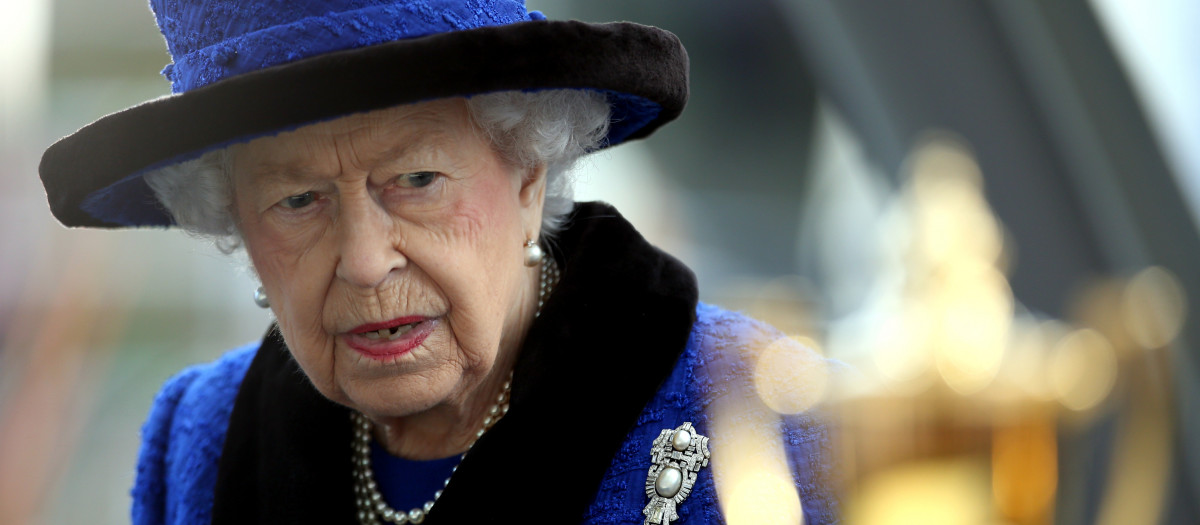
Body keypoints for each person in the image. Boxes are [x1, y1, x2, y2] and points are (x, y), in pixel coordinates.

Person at [39, 1, 837, 523]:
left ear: (529, 169)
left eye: (415, 180)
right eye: (298, 201)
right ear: (236, 224)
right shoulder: (199, 441)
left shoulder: (768, 420)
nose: (363, 260)